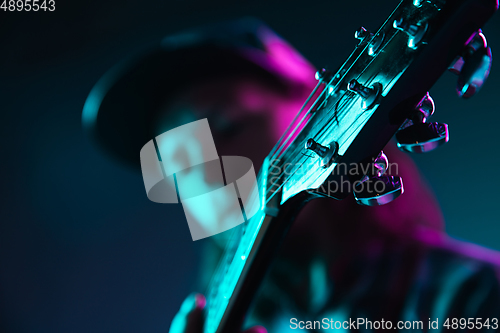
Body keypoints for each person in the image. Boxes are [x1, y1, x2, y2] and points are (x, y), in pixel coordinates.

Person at [83, 19, 500, 332]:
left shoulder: (471, 297)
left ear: (319, 117)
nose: (206, 171)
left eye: (226, 125)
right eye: (176, 162)